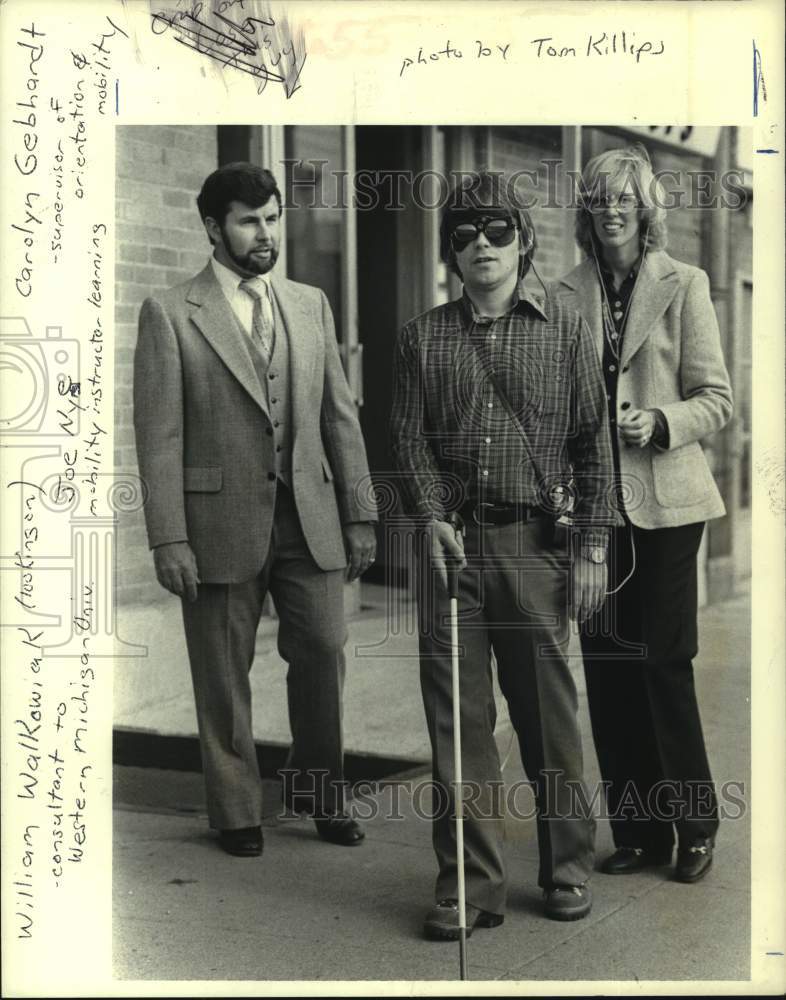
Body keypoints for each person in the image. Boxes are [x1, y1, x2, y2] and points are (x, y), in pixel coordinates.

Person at [390, 171, 621, 937]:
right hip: (452, 551)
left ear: (524, 241)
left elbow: (595, 445)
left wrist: (591, 548)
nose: (479, 246)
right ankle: (467, 885)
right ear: (450, 252)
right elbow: (408, 439)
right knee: (457, 726)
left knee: (549, 722)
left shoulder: (564, 329)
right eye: (463, 234)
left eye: (496, 231)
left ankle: (565, 869)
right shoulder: (421, 337)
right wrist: (429, 514)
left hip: (534, 547)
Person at [133, 162, 377, 857]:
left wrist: (360, 513)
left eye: (272, 218)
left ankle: (320, 791)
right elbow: (159, 436)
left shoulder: (310, 304)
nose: (265, 233)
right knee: (222, 669)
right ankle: (236, 808)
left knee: (325, 652)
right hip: (215, 524)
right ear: (214, 228)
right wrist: (167, 537)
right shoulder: (170, 312)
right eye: (249, 221)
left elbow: (340, 416)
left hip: (310, 517)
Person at [549, 143, 733, 883]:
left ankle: (694, 827)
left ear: (645, 208)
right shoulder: (563, 294)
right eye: (600, 198)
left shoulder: (685, 284)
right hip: (595, 510)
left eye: (625, 197)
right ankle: (636, 830)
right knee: (608, 667)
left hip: (668, 505)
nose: (612, 209)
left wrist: (659, 422)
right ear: (587, 213)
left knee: (662, 664)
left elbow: (716, 399)